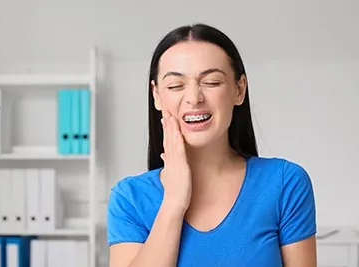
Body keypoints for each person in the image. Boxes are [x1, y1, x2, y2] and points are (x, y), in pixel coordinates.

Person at [106, 23, 317, 267]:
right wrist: (174, 201)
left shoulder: (285, 183)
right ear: (156, 95)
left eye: (212, 82)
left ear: (239, 89)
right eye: (175, 85)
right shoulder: (129, 198)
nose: (194, 98)